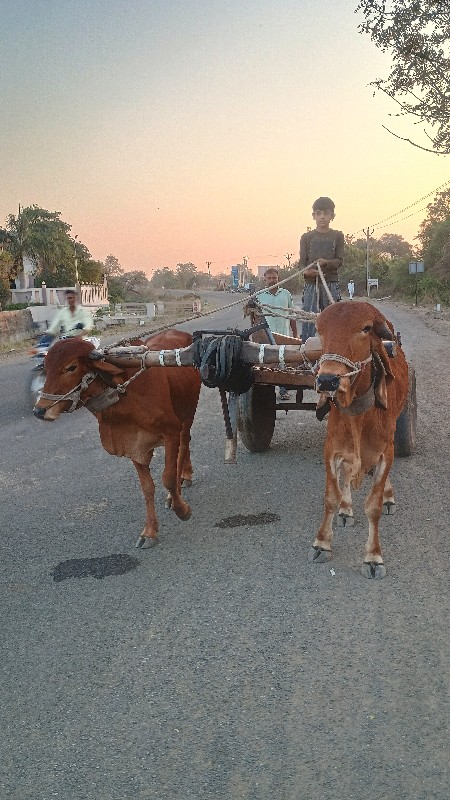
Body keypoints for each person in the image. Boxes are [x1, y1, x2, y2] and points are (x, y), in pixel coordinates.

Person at [299, 196, 345, 340]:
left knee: (332, 317)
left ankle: (335, 347)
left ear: (332, 216)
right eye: (318, 213)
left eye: (326, 213)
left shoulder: (338, 236)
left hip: (330, 283)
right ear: (313, 216)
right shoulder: (306, 237)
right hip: (311, 285)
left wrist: (326, 262)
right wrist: (307, 272)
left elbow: (339, 261)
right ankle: (306, 348)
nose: (322, 217)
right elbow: (301, 263)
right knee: (309, 317)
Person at [256, 267, 298, 401]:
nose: (272, 281)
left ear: (278, 279)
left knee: (283, 364)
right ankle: (267, 394)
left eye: (274, 278)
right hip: (266, 337)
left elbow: (292, 315)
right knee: (267, 365)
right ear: (265, 280)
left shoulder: (286, 294)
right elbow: (255, 318)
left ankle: (283, 391)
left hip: (284, 335)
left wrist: (295, 335)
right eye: (269, 278)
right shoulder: (259, 296)